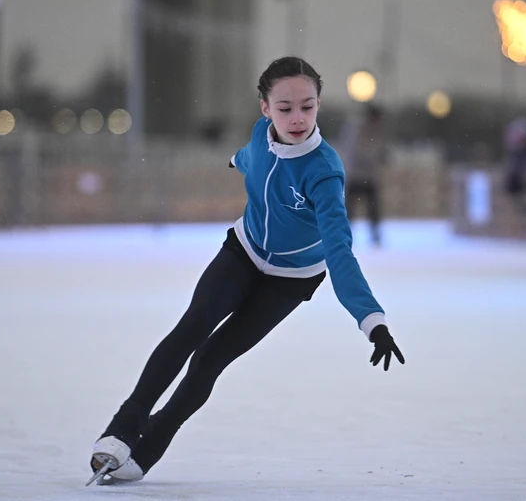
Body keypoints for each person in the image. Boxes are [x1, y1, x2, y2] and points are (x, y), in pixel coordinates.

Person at [87, 57, 404, 486]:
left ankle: (147, 450)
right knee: (191, 328)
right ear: (265, 108)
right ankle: (122, 429)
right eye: (285, 107)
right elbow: (251, 156)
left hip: (291, 280)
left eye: (307, 107)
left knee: (210, 360)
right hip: (243, 252)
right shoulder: (259, 136)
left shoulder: (325, 173)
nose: (297, 118)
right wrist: (234, 162)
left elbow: (340, 251)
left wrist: (372, 320)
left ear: (319, 105)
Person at [338, 103, 387, 246]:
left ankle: (375, 235)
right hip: (355, 175)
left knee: (373, 209)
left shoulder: (376, 131)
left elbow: (378, 150)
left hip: (370, 176)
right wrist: (369, 157)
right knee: (349, 209)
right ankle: (344, 236)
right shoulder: (356, 129)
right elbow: (353, 150)